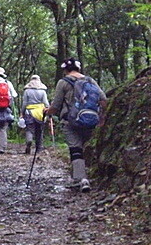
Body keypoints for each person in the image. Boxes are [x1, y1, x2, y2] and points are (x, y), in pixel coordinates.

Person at [46, 58, 107, 192]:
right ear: (79, 69)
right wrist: (101, 117)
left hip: (70, 121)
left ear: (66, 70)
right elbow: (103, 100)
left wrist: (47, 111)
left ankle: (82, 179)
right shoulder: (90, 81)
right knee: (84, 148)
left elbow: (55, 106)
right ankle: (81, 176)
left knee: (75, 149)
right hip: (90, 120)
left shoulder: (63, 83)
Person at [20, 75, 49, 155]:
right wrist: (48, 111)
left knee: (29, 129)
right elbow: (46, 103)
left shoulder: (27, 91)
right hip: (40, 113)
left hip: (29, 112)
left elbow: (25, 103)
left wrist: (22, 112)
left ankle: (29, 141)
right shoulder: (43, 91)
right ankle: (39, 148)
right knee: (39, 130)